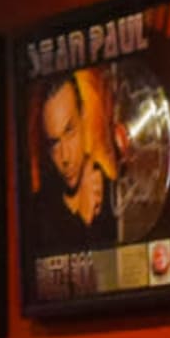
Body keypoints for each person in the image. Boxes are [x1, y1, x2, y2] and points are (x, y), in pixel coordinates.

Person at [29, 68, 120, 266]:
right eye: (54, 143)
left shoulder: (116, 195)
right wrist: (82, 219)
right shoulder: (37, 215)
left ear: (84, 117)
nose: (65, 157)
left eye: (69, 132)